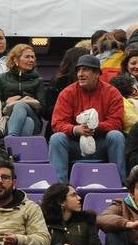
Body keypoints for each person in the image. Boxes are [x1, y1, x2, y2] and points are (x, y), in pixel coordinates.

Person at [48, 54, 127, 184]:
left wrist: (96, 126)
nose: (80, 74)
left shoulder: (112, 92)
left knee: (116, 136)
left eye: (85, 70)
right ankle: (59, 188)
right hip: (75, 145)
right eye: (78, 70)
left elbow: (116, 122)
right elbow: (57, 123)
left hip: (101, 144)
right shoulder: (67, 92)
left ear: (97, 73)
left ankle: (119, 184)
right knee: (56, 138)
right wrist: (75, 129)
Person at [40, 182, 108, 245]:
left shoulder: (86, 220)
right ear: (61, 201)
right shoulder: (44, 221)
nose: (79, 198)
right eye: (73, 195)